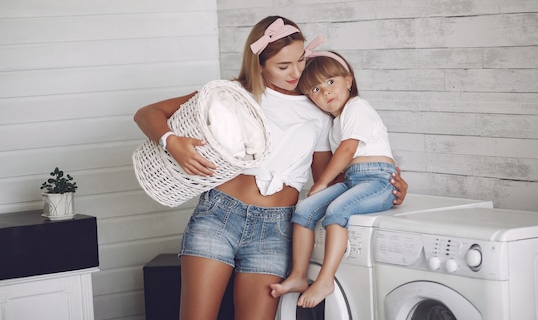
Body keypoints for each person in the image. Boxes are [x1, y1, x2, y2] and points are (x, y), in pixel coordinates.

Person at [133, 16, 409, 320]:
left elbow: (331, 181)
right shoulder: (233, 94)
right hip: (218, 217)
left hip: (276, 229)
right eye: (283, 66)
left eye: (301, 60)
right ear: (260, 64)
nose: (296, 73)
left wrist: (383, 187)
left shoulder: (319, 111)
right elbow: (148, 113)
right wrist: (171, 141)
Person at [269, 45, 396, 308]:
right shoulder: (334, 123)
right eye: (315, 89)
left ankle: (326, 279)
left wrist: (322, 182)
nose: (325, 91)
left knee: (338, 210)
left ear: (348, 80)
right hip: (353, 181)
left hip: (378, 181)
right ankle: (298, 275)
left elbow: (348, 150)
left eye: (330, 81)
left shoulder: (357, 108)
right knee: (304, 209)